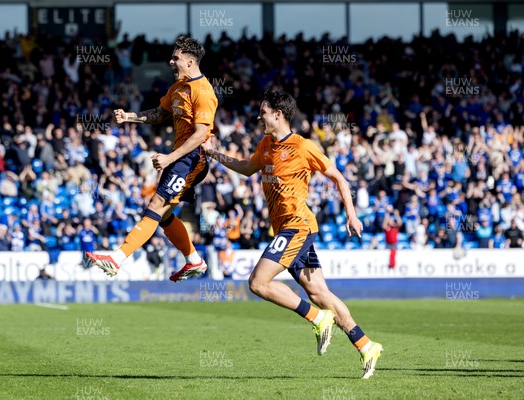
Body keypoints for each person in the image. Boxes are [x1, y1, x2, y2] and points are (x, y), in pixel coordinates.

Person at [202, 88, 383, 379]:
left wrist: (351, 213)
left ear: (278, 114)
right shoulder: (265, 145)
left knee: (258, 283)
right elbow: (248, 168)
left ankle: (316, 318)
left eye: (263, 111)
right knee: (320, 293)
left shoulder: (302, 146)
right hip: (288, 228)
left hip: (297, 225)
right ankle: (366, 346)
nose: (259, 116)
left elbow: (338, 177)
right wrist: (214, 154)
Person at [85, 36, 218, 281]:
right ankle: (194, 260)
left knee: (156, 206)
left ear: (190, 62)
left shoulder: (204, 91)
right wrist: (129, 117)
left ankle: (116, 259)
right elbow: (159, 114)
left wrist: (169, 158)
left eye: (175, 58)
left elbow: (201, 135)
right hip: (179, 159)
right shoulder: (177, 88)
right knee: (164, 215)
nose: (171, 61)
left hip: (191, 160)